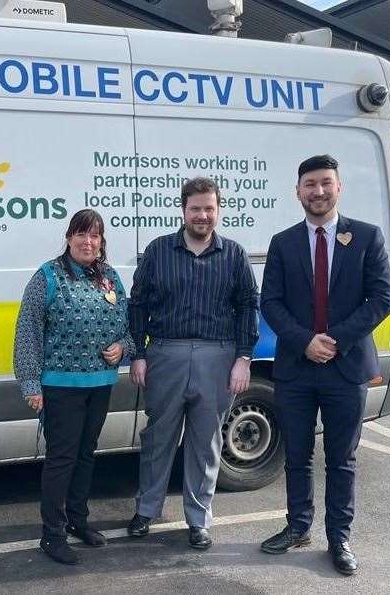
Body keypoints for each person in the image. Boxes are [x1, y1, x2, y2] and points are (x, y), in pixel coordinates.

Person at [259, 155, 390, 575]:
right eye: (309, 184)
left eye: (325, 183)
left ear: (339, 187)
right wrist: (305, 342)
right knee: (296, 456)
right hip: (297, 368)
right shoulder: (283, 243)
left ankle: (340, 538)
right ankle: (298, 526)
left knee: (341, 459)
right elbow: (271, 303)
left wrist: (334, 341)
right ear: (297, 191)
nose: (317, 191)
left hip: (346, 367)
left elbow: (383, 298)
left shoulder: (367, 237)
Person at [126, 177, 259, 549]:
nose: (203, 215)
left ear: (218, 210)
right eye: (196, 208)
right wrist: (138, 353)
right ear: (183, 210)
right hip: (165, 353)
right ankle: (146, 510)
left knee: (206, 442)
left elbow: (249, 306)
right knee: (158, 437)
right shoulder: (158, 251)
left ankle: (199, 519)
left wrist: (243, 359)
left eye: (209, 209)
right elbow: (137, 305)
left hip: (218, 356)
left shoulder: (233, 254)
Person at [14, 209, 134, 565]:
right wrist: (30, 383)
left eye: (95, 236)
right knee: (61, 459)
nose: (88, 242)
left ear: (102, 242)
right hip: (60, 385)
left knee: (86, 453)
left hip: (100, 383)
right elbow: (28, 333)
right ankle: (52, 535)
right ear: (68, 238)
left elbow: (127, 327)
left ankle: (78, 522)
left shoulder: (110, 278)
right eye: (81, 234)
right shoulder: (48, 277)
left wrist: (123, 347)